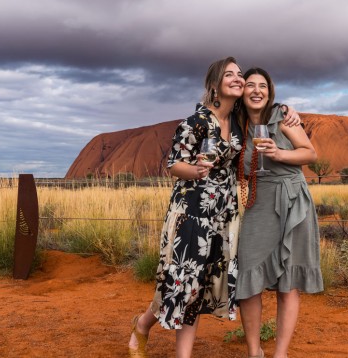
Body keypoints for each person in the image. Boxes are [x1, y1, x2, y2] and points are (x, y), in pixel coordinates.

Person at [128, 58, 300, 358]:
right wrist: (193, 171)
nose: (237, 78)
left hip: (224, 216)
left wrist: (285, 109)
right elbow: (173, 165)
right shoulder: (195, 122)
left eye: (239, 74)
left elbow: (266, 104)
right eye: (229, 74)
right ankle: (142, 326)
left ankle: (146, 326)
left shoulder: (237, 119)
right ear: (215, 84)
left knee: (196, 286)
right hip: (192, 214)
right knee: (184, 283)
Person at [236, 67, 323, 358]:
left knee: (288, 283)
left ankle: (280, 353)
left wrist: (280, 154)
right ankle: (254, 352)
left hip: (291, 200)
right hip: (258, 203)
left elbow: (310, 153)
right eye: (250, 85)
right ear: (242, 91)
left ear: (270, 91)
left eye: (263, 85)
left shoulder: (283, 117)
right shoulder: (237, 124)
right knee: (249, 276)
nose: (257, 90)